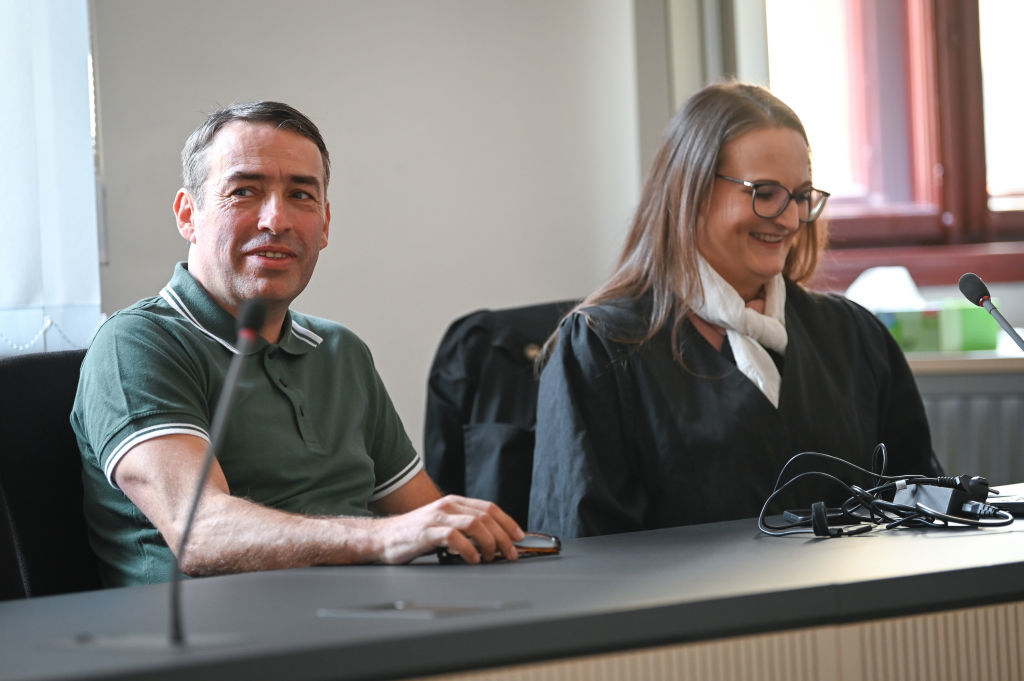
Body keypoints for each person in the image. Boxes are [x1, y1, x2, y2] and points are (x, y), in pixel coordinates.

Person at [72, 101, 524, 586]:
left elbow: (424, 520)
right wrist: (381, 538)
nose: (276, 220)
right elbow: (199, 533)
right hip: (218, 630)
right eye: (244, 191)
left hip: (366, 613)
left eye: (301, 195)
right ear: (188, 215)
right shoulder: (136, 344)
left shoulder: (341, 351)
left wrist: (475, 535)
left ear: (324, 225)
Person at [528, 82, 942, 538]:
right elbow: (585, 552)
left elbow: (922, 508)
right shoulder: (600, 350)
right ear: (690, 192)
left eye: (801, 195)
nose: (789, 219)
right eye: (764, 193)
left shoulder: (855, 337)